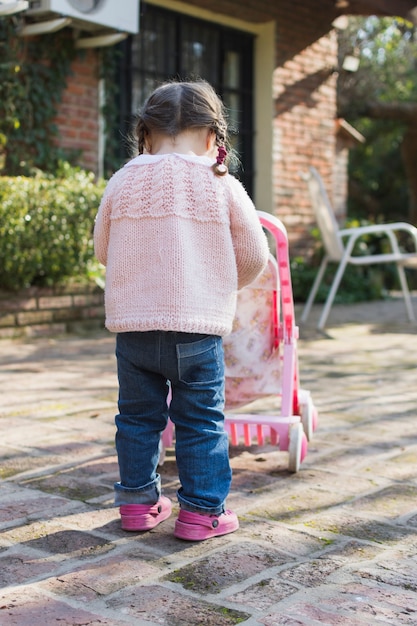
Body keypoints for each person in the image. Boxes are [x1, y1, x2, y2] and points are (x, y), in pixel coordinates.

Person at [94, 79, 269, 541]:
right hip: (197, 331)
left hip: (133, 331)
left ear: (145, 134)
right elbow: (254, 255)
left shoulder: (124, 178)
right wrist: (215, 285)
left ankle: (137, 503)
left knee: (135, 418)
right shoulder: (222, 184)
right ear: (214, 137)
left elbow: (102, 248)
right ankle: (202, 513)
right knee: (201, 419)